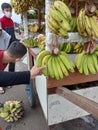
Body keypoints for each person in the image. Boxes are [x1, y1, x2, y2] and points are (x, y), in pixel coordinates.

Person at [0, 3, 18, 73]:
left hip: (12, 44)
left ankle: (11, 74)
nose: (9, 12)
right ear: (3, 11)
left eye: (10, 10)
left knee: (12, 61)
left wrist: (17, 41)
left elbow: (12, 35)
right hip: (4, 46)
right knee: (3, 63)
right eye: (7, 10)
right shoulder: (1, 21)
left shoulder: (11, 21)